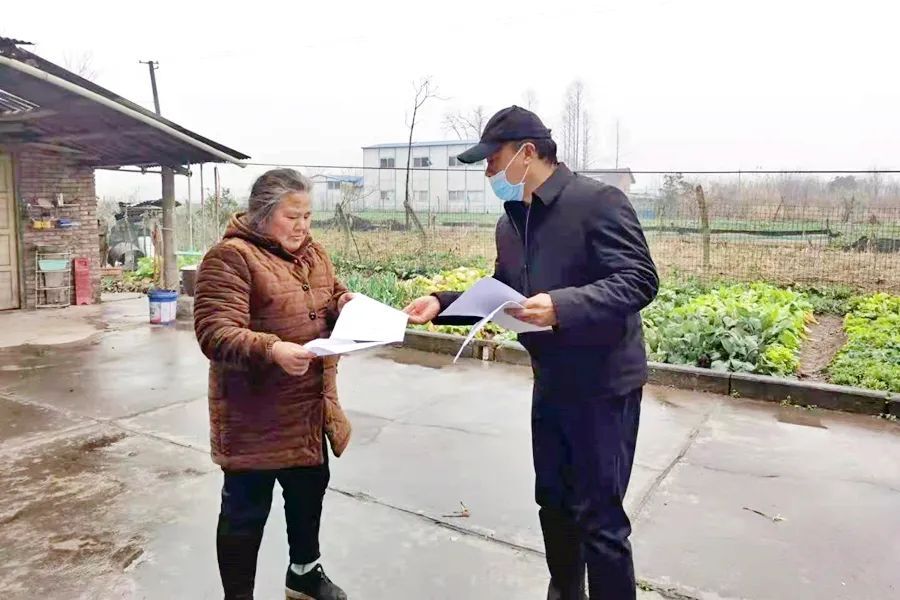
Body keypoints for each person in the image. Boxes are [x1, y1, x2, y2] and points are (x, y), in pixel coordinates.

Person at [404, 106, 659, 600]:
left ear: (527, 152)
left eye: (492, 159)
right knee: (554, 505)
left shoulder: (597, 202)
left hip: (604, 385)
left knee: (600, 519)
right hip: (552, 381)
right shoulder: (513, 221)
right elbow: (504, 291)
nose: (488, 173)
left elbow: (638, 279)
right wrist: (442, 303)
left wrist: (562, 306)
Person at [194, 168, 353, 600]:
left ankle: (304, 575)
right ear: (263, 214)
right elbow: (214, 331)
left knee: (308, 495)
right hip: (255, 416)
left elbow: (329, 293)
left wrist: (345, 302)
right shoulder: (232, 258)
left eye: (308, 216)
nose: (302, 227)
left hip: (308, 409)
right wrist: (273, 349)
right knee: (245, 512)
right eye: (292, 217)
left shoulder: (313, 253)